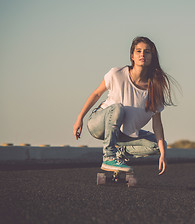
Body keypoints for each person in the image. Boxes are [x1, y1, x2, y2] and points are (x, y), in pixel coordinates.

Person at [73, 36, 176, 175]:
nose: (142, 55)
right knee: (117, 108)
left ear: (152, 56)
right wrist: (80, 118)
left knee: (159, 145)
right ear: (132, 56)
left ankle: (119, 152)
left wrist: (163, 154)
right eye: (138, 51)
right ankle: (108, 156)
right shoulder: (117, 74)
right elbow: (96, 94)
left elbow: (157, 123)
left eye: (147, 52)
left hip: (124, 135)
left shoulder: (155, 88)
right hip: (100, 124)